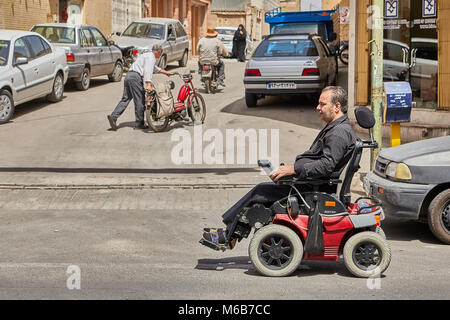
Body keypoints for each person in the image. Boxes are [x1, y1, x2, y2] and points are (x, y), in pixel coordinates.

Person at [200, 86, 357, 251]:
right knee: (264, 191)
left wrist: (294, 170)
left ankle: (228, 235)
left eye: (322, 104)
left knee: (260, 192)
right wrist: (290, 170)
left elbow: (326, 165)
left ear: (337, 106)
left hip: (314, 188)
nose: (317, 107)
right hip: (310, 182)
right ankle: (231, 233)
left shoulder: (339, 133)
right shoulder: (337, 127)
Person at [107, 44, 173, 130]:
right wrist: (148, 84)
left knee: (125, 98)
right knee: (140, 100)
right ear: (158, 51)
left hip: (129, 76)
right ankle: (139, 123)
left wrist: (166, 72)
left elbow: (155, 68)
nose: (160, 55)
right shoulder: (151, 57)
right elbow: (148, 70)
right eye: (160, 53)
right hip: (135, 78)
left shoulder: (146, 55)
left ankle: (113, 117)